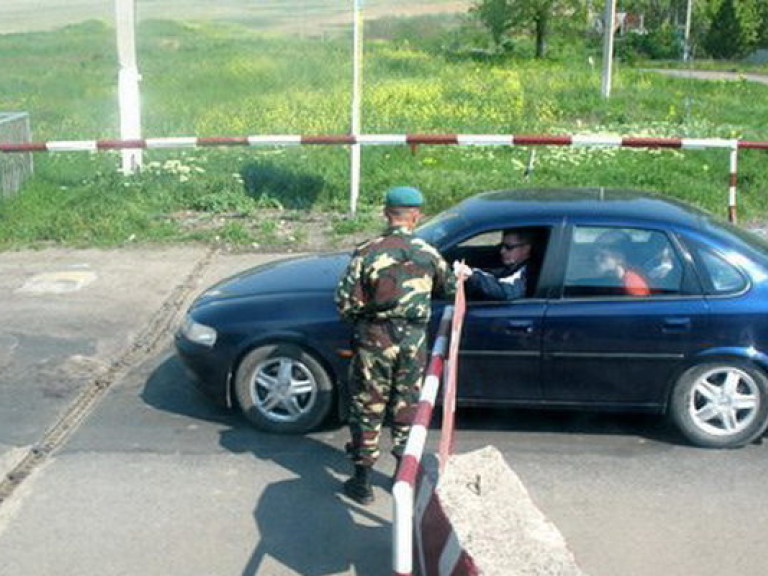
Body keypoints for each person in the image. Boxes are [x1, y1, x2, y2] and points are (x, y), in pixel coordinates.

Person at [335, 186, 455, 505]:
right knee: (407, 403)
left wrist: (366, 319)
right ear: (417, 215)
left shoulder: (367, 251)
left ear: (386, 213)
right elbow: (452, 288)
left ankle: (362, 482)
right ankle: (403, 474)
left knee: (368, 404)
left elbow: (345, 303)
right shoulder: (428, 253)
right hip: (413, 340)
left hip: (375, 338)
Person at [453, 229, 535, 301]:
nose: (502, 251)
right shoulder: (514, 266)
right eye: (501, 246)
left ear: (526, 249)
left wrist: (473, 275)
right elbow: (496, 274)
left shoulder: (528, 273)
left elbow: (504, 290)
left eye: (508, 247)